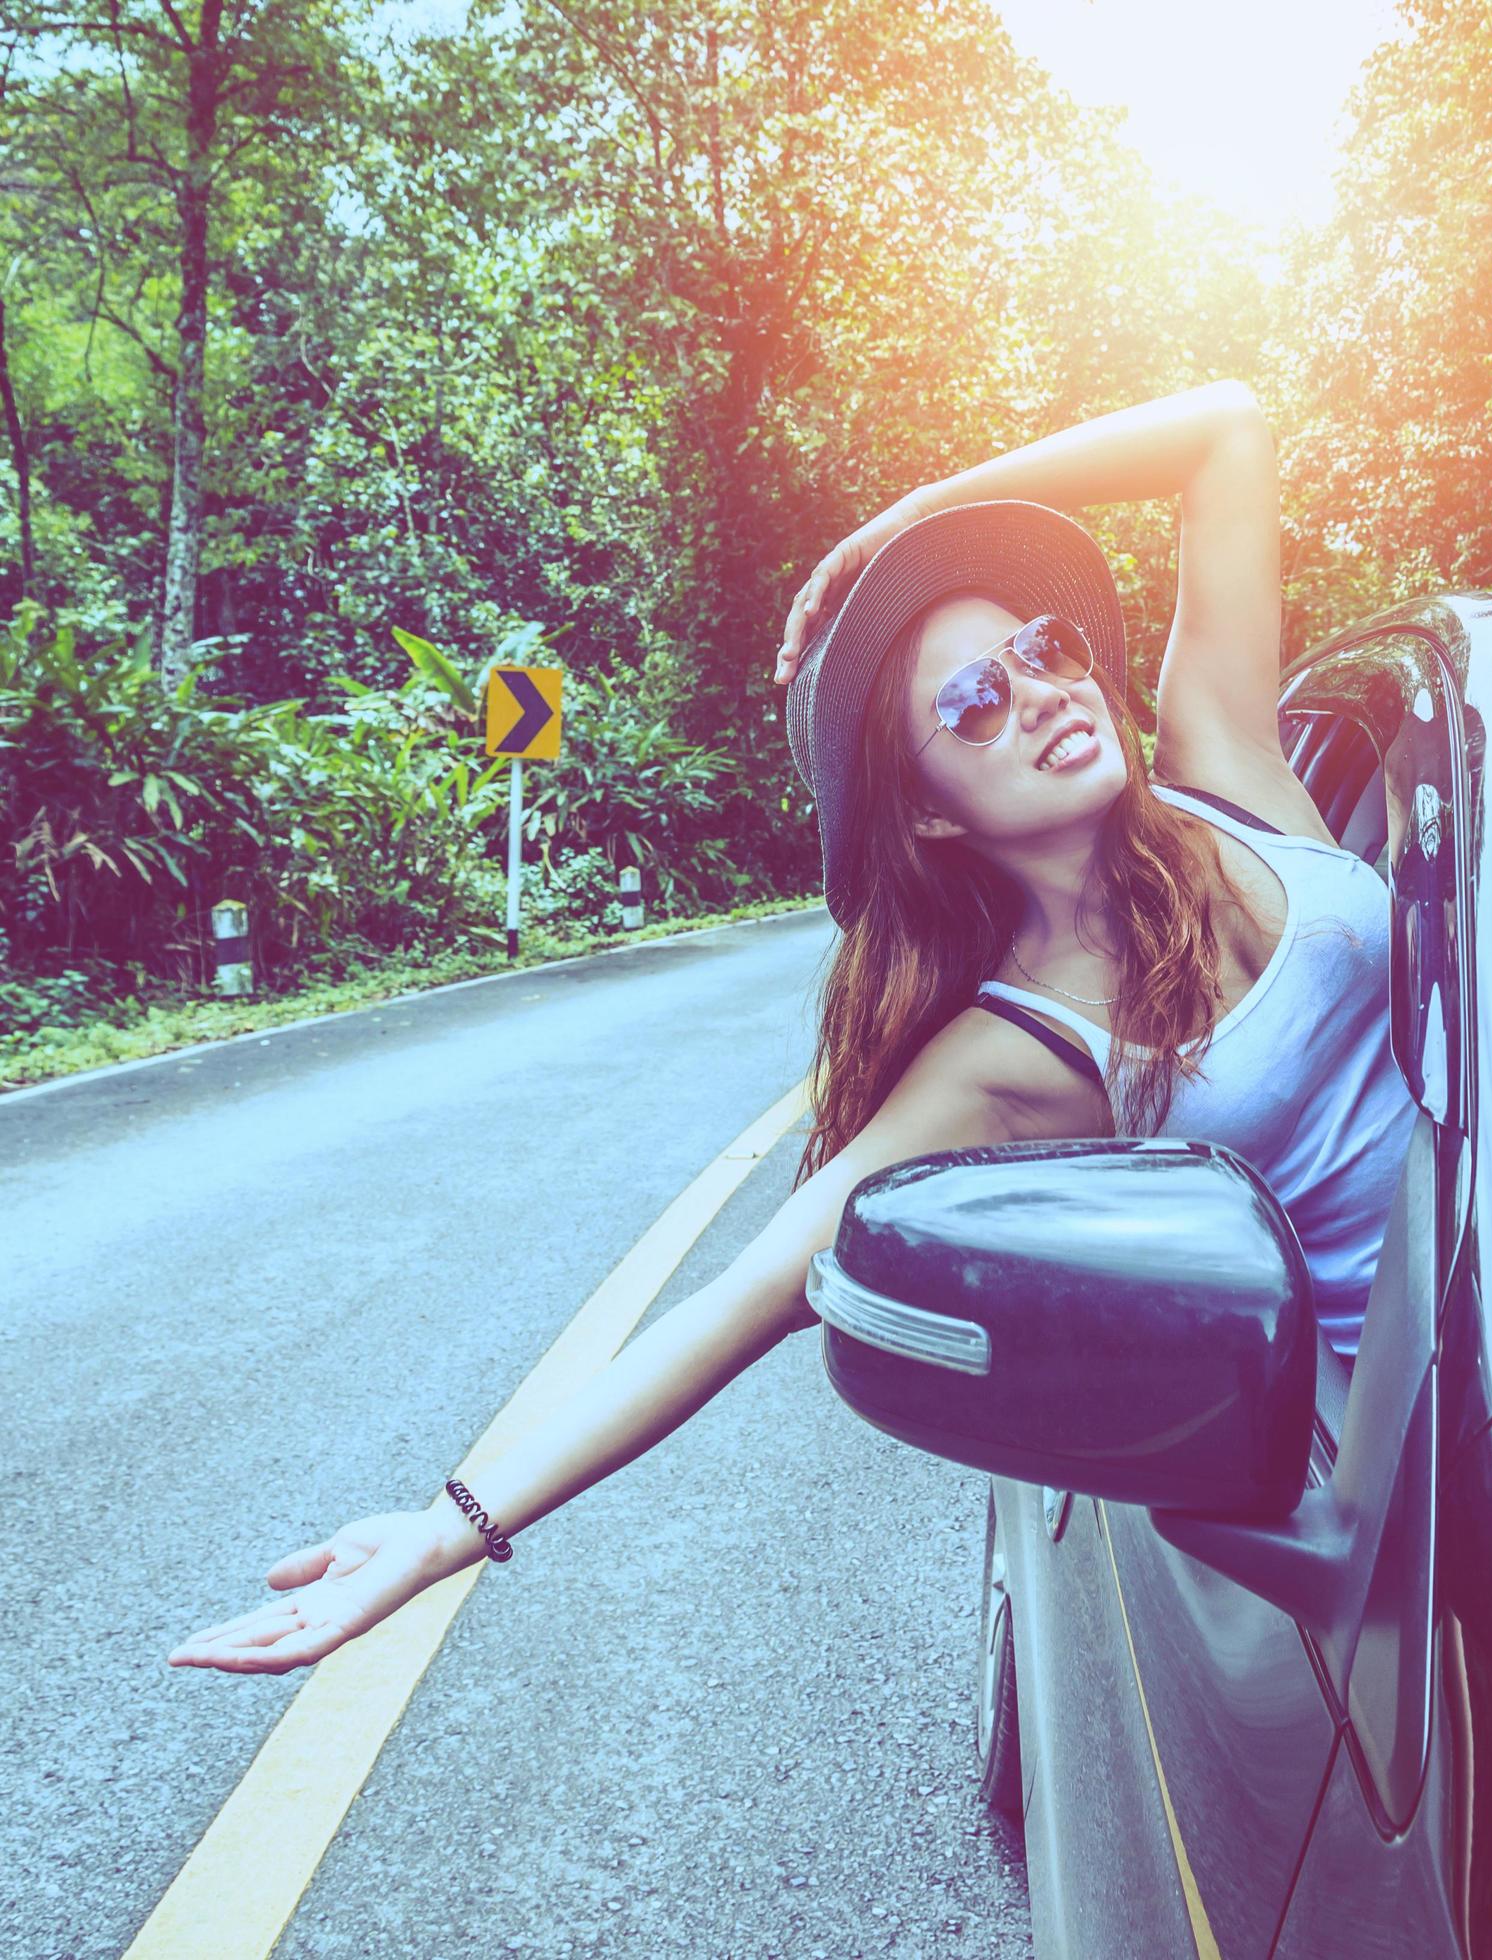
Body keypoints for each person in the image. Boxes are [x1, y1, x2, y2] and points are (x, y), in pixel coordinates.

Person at [167, 378, 1420, 1677]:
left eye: (1044, 647)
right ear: (931, 815)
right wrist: (445, 1530)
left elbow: (1226, 424)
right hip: (1436, 1424)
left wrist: (926, 513)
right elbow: (747, 1295)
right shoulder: (1016, 1055)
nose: (1043, 691)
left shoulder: (1227, 763)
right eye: (973, 702)